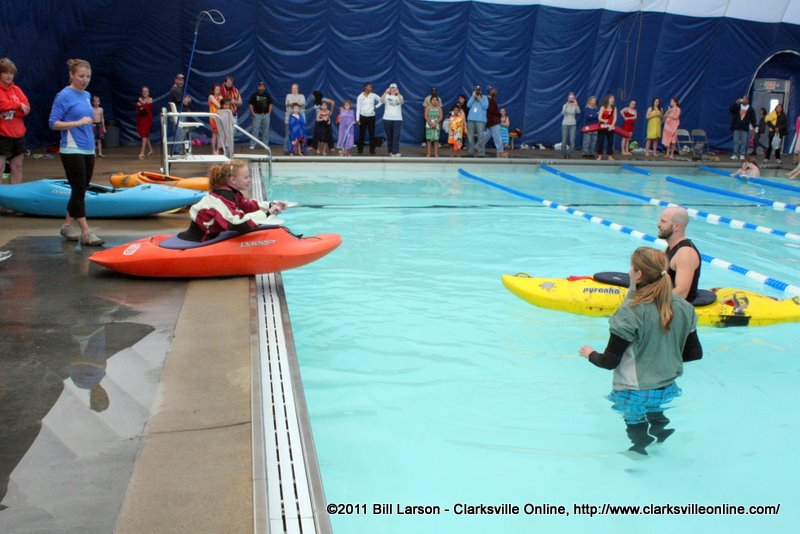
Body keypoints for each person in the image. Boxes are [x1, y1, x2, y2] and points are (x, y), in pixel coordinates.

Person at [579, 247, 702, 457]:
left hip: (634, 391)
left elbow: (609, 361)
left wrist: (589, 353)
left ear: (638, 274)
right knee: (656, 411)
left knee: (636, 425)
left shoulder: (629, 312)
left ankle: (639, 452)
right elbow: (694, 353)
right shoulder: (684, 307)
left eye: (631, 268)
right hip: (667, 386)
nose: (629, 271)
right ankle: (662, 436)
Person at [48, 58, 104, 246]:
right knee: (79, 189)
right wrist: (77, 123)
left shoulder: (87, 95)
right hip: (71, 148)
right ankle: (86, 232)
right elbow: (53, 123)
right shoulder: (64, 95)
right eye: (81, 76)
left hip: (88, 148)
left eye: (88, 76)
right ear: (71, 75)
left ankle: (66, 225)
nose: (85, 80)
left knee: (80, 189)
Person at [178, 159, 287, 242]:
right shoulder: (220, 199)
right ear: (233, 180)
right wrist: (267, 213)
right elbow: (238, 223)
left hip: (210, 233)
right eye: (246, 177)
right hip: (199, 239)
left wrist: (270, 205)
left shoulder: (230, 192)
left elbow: (247, 204)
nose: (250, 180)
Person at [657, 206, 701, 301]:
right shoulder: (670, 247)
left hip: (681, 306)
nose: (658, 224)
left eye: (663, 221)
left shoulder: (686, 253)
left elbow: (681, 293)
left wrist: (650, 297)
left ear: (676, 226)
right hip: (668, 301)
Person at [0, 57, 30, 185]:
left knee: (17, 166)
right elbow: (1, 104)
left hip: (18, 135)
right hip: (2, 135)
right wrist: (17, 105)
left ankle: (14, 195)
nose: (9, 76)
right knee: (0, 167)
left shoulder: (17, 90)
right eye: (5, 73)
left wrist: (13, 109)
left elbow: (27, 108)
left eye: (11, 73)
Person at [356, 82, 382, 155]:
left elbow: (382, 100)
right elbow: (358, 108)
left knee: (372, 134)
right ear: (365, 87)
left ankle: (372, 150)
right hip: (363, 117)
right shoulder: (360, 97)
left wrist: (376, 107)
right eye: (370, 87)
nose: (371, 88)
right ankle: (360, 150)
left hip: (371, 117)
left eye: (371, 87)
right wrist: (357, 119)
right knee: (361, 134)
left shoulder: (373, 95)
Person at [168, 73, 192, 154]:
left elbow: (185, 101)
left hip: (180, 114)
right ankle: (177, 151)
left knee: (182, 133)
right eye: (180, 80)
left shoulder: (179, 90)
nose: (181, 82)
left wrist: (187, 100)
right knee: (180, 134)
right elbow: (182, 101)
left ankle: (179, 151)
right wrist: (186, 100)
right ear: (175, 80)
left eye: (182, 80)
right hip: (178, 114)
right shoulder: (175, 90)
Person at [729, 96, 756, 160]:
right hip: (736, 127)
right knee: (736, 141)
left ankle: (742, 154)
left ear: (747, 101)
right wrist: (735, 103)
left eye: (745, 100)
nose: (743, 101)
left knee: (744, 142)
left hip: (744, 127)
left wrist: (754, 126)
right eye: (743, 100)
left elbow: (753, 118)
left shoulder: (750, 108)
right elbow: (731, 109)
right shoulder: (738, 107)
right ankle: (735, 154)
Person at [248, 81, 273, 150]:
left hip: (266, 115)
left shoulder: (267, 95)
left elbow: (270, 104)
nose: (262, 88)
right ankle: (253, 144)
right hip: (257, 115)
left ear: (264, 88)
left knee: (266, 131)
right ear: (258, 87)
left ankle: (265, 145)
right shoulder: (254, 95)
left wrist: (269, 113)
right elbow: (251, 104)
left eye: (263, 87)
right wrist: (253, 113)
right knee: (255, 130)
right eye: (260, 86)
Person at [484, 86, 507, 158]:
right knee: (497, 136)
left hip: (490, 121)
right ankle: (500, 151)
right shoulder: (488, 99)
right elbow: (493, 110)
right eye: (493, 90)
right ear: (489, 91)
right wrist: (499, 115)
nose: (495, 91)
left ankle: (477, 147)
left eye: (494, 89)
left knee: (486, 136)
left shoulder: (492, 99)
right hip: (493, 121)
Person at [381, 83, 404, 157]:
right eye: (392, 88)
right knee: (389, 136)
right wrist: (385, 92)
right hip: (387, 118)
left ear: (397, 89)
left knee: (396, 136)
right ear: (389, 89)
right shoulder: (386, 96)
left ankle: (396, 151)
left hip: (397, 119)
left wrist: (398, 93)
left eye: (394, 88)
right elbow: (381, 100)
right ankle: (390, 151)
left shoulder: (400, 96)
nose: (393, 89)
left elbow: (401, 102)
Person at [466, 85, 488, 157]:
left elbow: (486, 106)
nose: (477, 92)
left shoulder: (484, 97)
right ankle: (470, 152)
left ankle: (481, 153)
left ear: (481, 91)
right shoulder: (472, 97)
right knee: (470, 136)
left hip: (481, 120)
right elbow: (468, 105)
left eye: (478, 90)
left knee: (481, 136)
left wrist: (479, 98)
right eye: (476, 90)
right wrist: (473, 97)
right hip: (471, 119)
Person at [284, 83, 306, 154]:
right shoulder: (288, 96)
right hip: (290, 120)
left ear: (298, 89)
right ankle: (287, 150)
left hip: (300, 120)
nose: (294, 89)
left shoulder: (302, 96)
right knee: (288, 134)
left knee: (301, 135)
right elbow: (290, 103)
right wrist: (297, 103)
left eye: (295, 88)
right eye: (292, 88)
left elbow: (302, 103)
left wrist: (295, 103)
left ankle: (301, 150)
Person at [595, 94, 617, 161]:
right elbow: (599, 117)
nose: (613, 99)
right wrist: (604, 120)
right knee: (600, 141)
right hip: (602, 126)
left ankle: (610, 156)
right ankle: (600, 156)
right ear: (607, 99)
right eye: (611, 98)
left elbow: (615, 118)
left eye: (613, 98)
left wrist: (612, 125)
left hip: (610, 127)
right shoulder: (603, 107)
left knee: (611, 141)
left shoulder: (614, 107)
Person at [135, 85, 154, 159]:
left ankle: (142, 152)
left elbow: (146, 110)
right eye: (143, 91)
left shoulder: (150, 100)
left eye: (146, 91)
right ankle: (151, 150)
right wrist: (140, 107)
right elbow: (139, 110)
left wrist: (141, 106)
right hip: (141, 120)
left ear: (148, 92)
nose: (144, 93)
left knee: (144, 136)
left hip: (147, 120)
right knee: (146, 135)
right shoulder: (139, 99)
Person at [561, 92, 580, 159]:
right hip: (565, 124)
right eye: (570, 98)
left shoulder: (575, 105)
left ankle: (569, 154)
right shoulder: (565, 105)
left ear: (574, 98)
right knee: (564, 140)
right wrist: (566, 105)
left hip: (573, 124)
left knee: (572, 141)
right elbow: (562, 113)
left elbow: (578, 112)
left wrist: (576, 104)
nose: (571, 99)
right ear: (568, 98)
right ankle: (564, 154)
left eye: (572, 98)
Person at [207, 84, 223, 155]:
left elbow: (224, 105)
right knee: (214, 134)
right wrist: (220, 99)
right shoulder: (211, 96)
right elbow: (219, 106)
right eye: (216, 89)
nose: (217, 91)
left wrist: (221, 98)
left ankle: (218, 150)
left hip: (219, 117)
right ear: (213, 90)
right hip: (213, 117)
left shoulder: (220, 97)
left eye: (219, 89)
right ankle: (213, 151)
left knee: (219, 134)